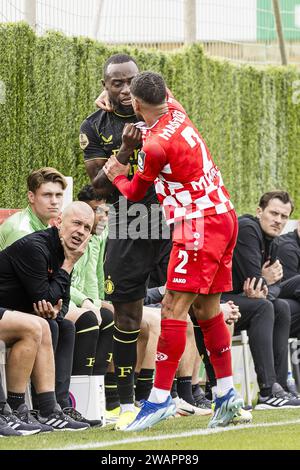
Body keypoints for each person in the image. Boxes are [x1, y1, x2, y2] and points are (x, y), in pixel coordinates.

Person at [104, 71, 241, 431]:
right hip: (224, 216)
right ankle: (226, 396)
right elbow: (151, 104)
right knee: (207, 308)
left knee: (172, 307)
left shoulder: (153, 147)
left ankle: (159, 399)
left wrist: (117, 171)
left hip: (197, 224)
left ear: (136, 102)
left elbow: (134, 192)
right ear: (166, 93)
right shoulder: (176, 109)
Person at [80, 54, 171, 430]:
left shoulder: (158, 111)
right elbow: (98, 187)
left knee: (197, 302)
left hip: (169, 214)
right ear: (105, 85)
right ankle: (127, 403)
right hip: (129, 219)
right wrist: (125, 152)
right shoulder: (95, 125)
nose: (123, 89)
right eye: (115, 82)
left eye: (129, 82)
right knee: (128, 313)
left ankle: (206, 394)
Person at [0, 202, 95, 429]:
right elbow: (43, 296)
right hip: (7, 310)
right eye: (76, 223)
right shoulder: (36, 247)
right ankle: (16, 408)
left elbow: (62, 304)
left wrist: (54, 311)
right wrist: (69, 264)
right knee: (39, 326)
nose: (81, 231)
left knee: (62, 326)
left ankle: (53, 407)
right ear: (59, 221)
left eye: (87, 228)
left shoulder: (61, 251)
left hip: (14, 313)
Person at [0, 168, 77, 416]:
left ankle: (59, 405)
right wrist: (48, 304)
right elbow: (37, 292)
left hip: (25, 301)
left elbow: (58, 290)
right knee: (46, 325)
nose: (54, 201)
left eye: (58, 195)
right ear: (31, 197)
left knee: (65, 325)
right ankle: (32, 405)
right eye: (47, 195)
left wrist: (58, 309)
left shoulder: (54, 232)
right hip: (10, 303)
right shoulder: (22, 231)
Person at [222, 191, 300, 408]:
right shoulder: (248, 228)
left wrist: (265, 284)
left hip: (241, 299)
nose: (278, 220)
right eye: (274, 213)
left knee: (281, 307)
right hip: (215, 300)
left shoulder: (272, 240)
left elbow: (269, 288)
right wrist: (265, 281)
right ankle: (267, 391)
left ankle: (281, 387)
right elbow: (257, 282)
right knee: (263, 308)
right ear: (260, 211)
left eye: (284, 217)